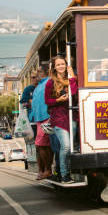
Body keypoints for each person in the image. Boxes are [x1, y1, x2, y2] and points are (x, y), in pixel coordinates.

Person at [45, 55, 78, 183]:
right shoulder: (50, 82)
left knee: (70, 148)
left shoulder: (70, 79)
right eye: (58, 64)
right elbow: (47, 101)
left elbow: (74, 94)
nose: (61, 66)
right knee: (65, 146)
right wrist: (58, 100)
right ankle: (64, 175)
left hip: (71, 116)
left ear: (66, 65)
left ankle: (69, 172)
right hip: (58, 118)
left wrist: (72, 76)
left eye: (62, 64)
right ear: (54, 67)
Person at [29, 65, 53, 180]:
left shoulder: (48, 82)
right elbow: (35, 104)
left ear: (45, 72)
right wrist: (32, 116)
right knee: (43, 146)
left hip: (46, 117)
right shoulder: (38, 86)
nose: (36, 74)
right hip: (39, 119)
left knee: (40, 145)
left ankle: (48, 170)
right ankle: (46, 170)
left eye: (38, 72)